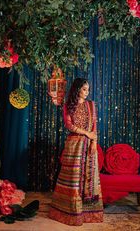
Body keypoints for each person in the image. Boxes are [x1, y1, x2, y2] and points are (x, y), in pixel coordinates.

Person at [49, 78, 103, 226]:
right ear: (77, 89)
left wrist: (94, 142)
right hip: (73, 146)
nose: (87, 92)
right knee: (72, 179)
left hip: (89, 145)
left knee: (89, 179)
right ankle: (70, 210)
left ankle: (88, 212)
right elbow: (69, 125)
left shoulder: (91, 105)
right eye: (84, 89)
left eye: (88, 89)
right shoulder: (68, 105)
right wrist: (87, 134)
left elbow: (94, 127)